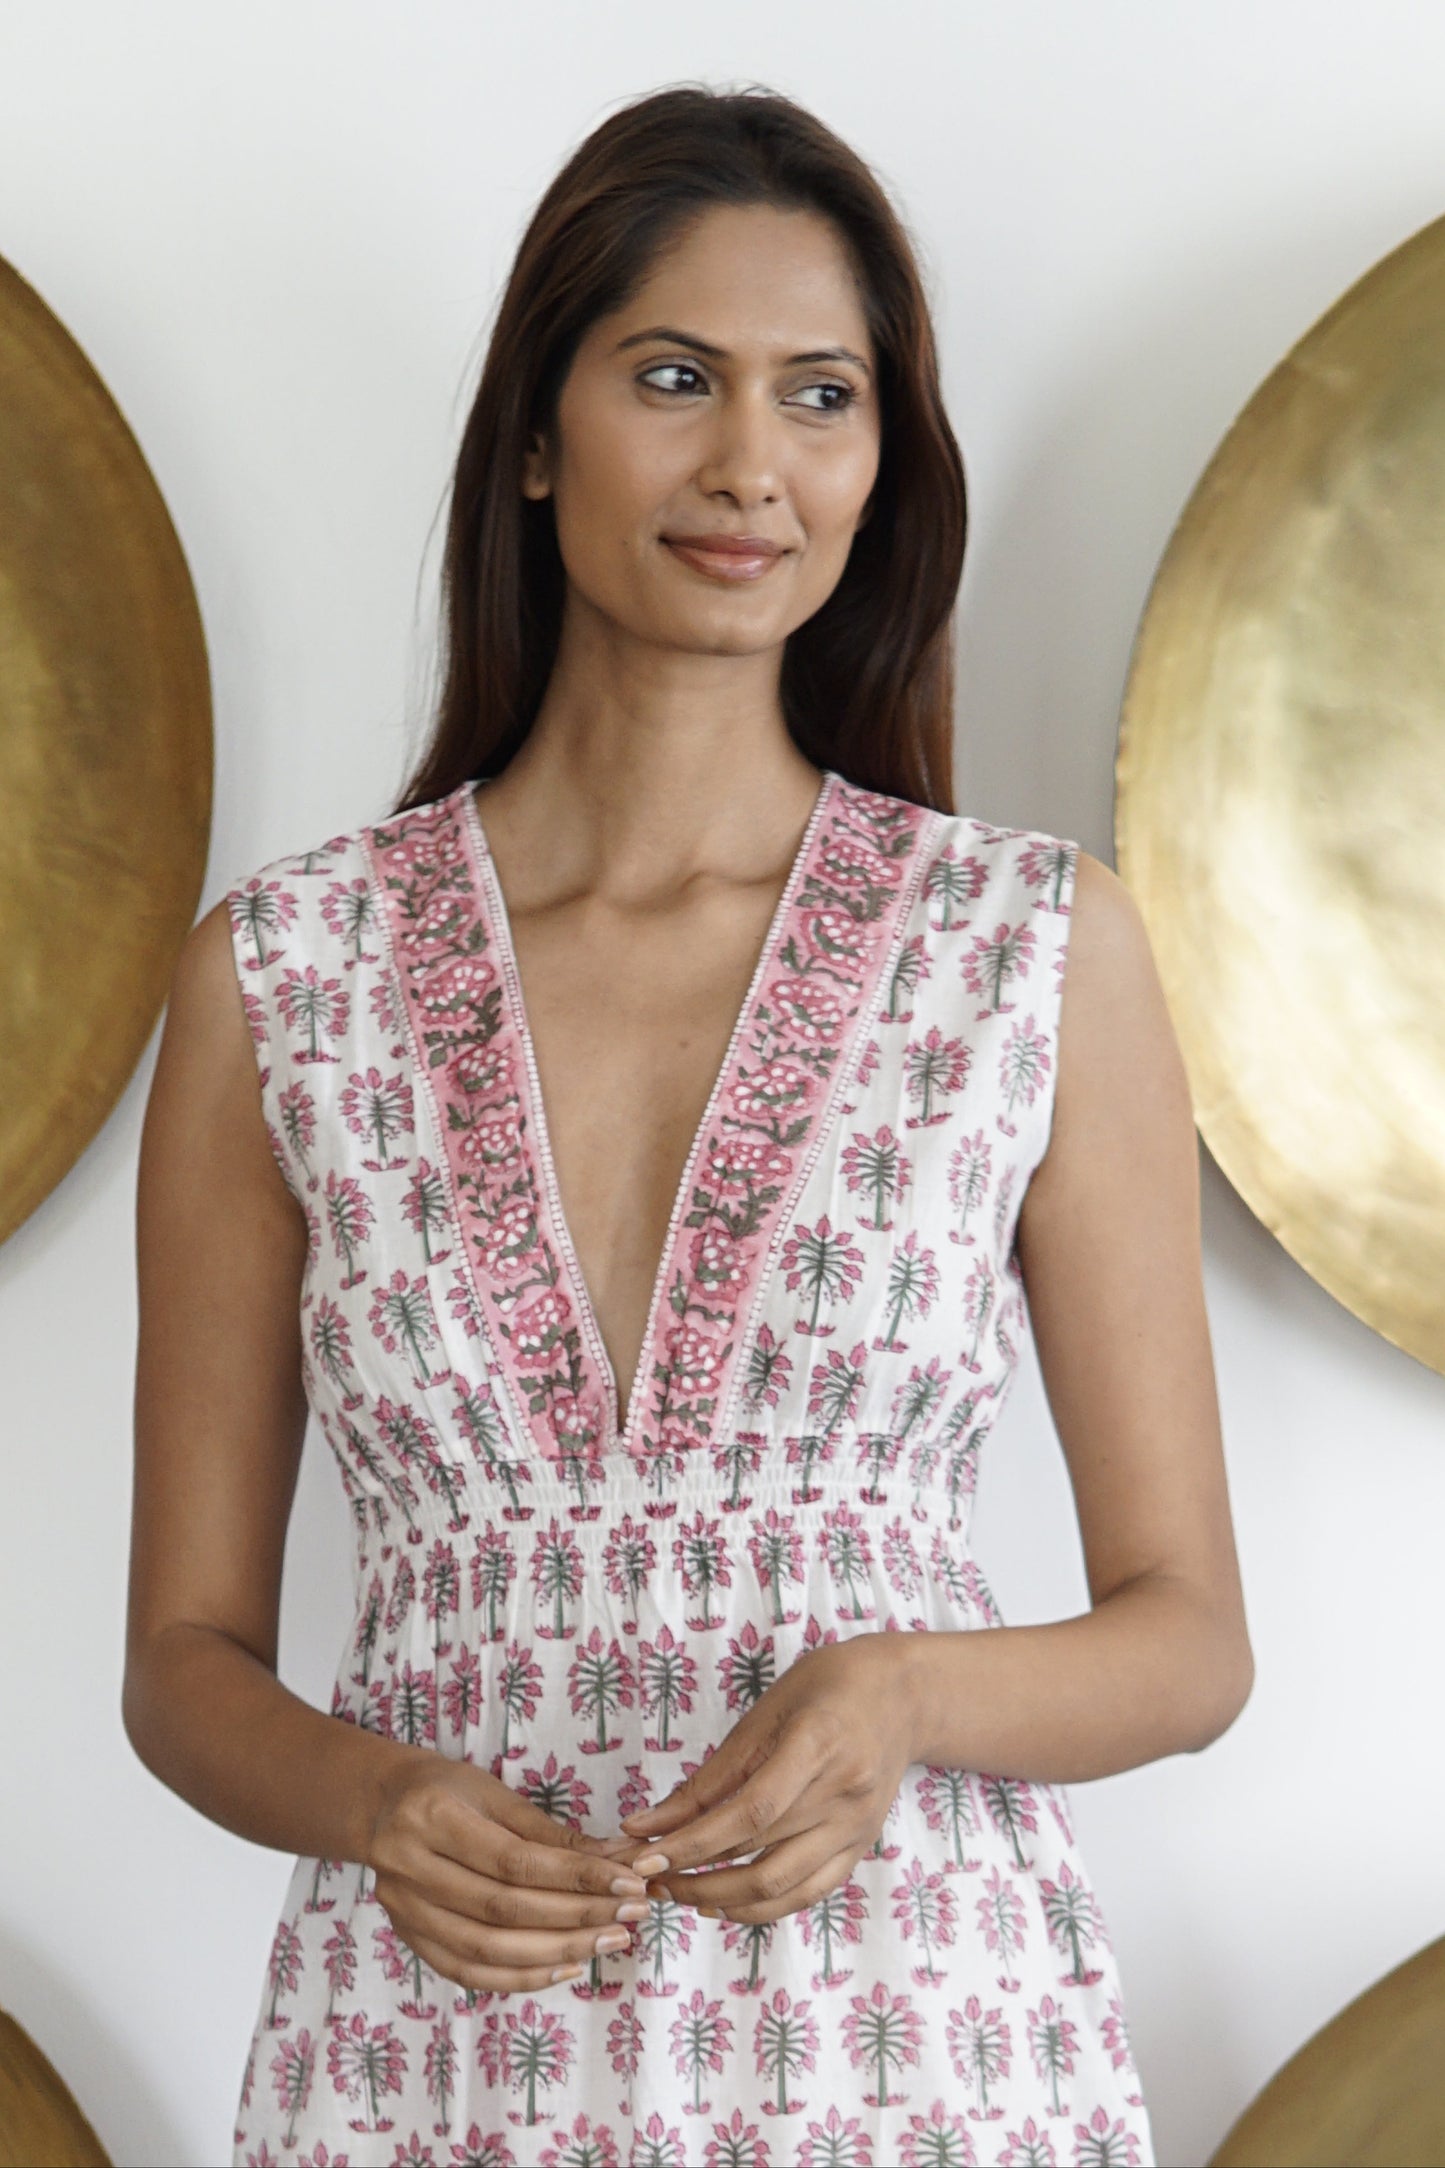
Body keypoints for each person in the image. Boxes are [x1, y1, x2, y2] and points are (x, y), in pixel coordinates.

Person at [125, 81, 1252, 2168]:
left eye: (823, 398)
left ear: (882, 461)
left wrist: (904, 1692)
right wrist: (377, 1797)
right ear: (538, 437)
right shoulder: (277, 980)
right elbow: (185, 1663)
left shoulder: (1031, 952)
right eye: (676, 377)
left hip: (920, 2044)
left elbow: (1186, 1633)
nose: (755, 465)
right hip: (441, 2053)